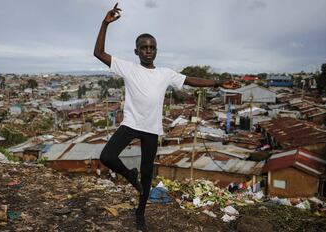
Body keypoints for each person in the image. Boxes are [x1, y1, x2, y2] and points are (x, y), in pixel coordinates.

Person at [94, 3, 227, 231]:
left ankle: (140, 213)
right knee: (107, 156)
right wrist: (105, 23)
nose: (148, 50)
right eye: (144, 47)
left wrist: (218, 83)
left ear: (156, 50)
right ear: (136, 51)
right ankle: (129, 174)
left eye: (152, 47)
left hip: (151, 129)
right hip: (131, 124)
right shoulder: (128, 68)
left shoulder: (165, 73)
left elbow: (191, 80)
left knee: (148, 175)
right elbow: (98, 53)